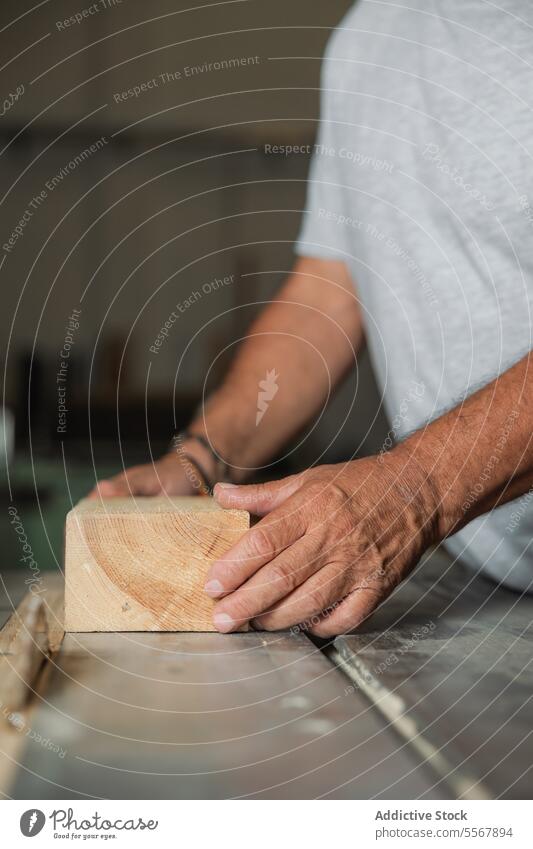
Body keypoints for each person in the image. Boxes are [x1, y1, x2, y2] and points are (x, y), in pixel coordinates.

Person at [91, 2, 533, 636]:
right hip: (483, 573)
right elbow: (330, 291)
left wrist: (417, 489)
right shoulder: (372, 35)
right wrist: (206, 458)